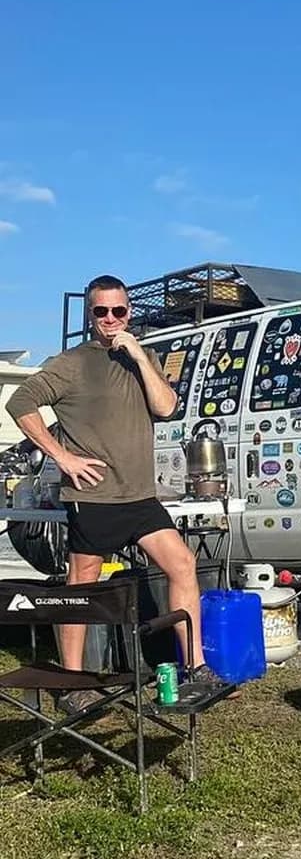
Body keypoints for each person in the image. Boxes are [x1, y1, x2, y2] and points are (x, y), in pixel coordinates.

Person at [6, 274, 225, 714]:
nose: (110, 319)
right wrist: (62, 458)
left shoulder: (140, 357)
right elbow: (20, 404)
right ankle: (72, 683)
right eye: (100, 311)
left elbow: (165, 407)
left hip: (140, 496)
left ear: (129, 312)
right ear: (90, 315)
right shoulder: (72, 362)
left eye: (118, 311)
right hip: (95, 497)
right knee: (81, 588)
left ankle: (195, 669)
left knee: (182, 563)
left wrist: (140, 356)